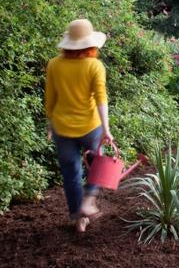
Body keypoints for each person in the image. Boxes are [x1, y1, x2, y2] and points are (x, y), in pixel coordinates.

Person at [45, 19, 114, 233]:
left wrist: (49, 123)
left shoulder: (54, 64)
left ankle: (78, 217)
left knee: (70, 173)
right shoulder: (95, 65)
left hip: (62, 128)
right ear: (90, 44)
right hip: (90, 127)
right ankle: (88, 201)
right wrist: (106, 129)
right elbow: (101, 99)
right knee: (98, 165)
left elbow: (50, 97)